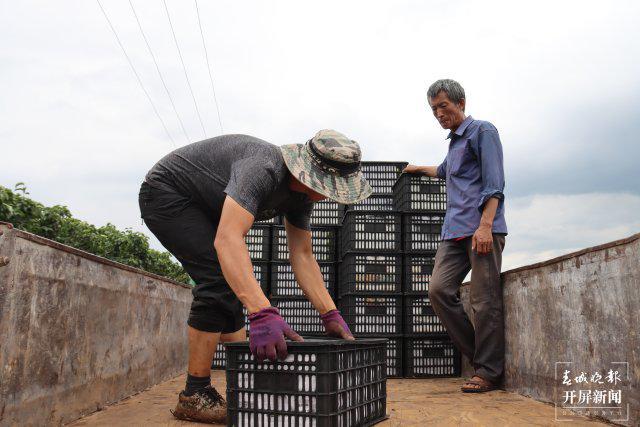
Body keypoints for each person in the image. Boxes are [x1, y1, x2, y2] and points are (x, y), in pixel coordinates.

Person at [139, 130, 372, 423]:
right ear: (309, 171)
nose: (329, 195)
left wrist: (330, 313)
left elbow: (302, 255)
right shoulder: (263, 169)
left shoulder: (302, 196)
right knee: (218, 279)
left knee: (238, 285)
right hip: (167, 194)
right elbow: (227, 239)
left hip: (207, 207)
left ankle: (239, 386)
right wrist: (262, 312)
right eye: (330, 186)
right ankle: (194, 394)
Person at [404, 79, 507, 393]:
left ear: (461, 103)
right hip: (454, 232)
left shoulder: (482, 132)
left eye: (443, 106)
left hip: (481, 230)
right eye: (434, 108)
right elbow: (444, 170)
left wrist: (486, 225)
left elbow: (494, 183)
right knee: (438, 290)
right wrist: (415, 168)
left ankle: (488, 372)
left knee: (483, 300)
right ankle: (480, 357)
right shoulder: (454, 143)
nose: (438, 113)